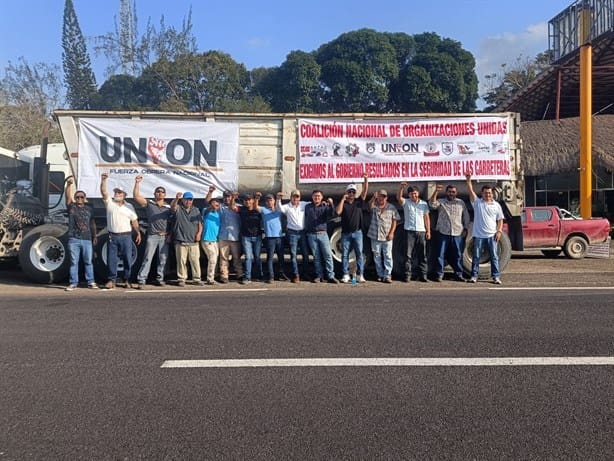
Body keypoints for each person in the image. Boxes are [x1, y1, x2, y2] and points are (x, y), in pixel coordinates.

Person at [100, 173, 141, 290]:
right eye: (116, 192)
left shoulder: (129, 206)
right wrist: (103, 181)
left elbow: (134, 220)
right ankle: (111, 280)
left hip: (126, 236)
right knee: (111, 259)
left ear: (124, 195)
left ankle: (127, 280)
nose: (117, 194)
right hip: (112, 236)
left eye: (119, 192)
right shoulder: (110, 203)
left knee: (128, 259)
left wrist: (137, 232)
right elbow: (104, 192)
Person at [133, 176, 173, 288]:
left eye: (162, 192)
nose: (160, 193)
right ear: (155, 194)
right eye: (158, 192)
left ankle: (160, 278)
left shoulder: (168, 207)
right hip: (152, 236)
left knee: (163, 259)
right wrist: (137, 183)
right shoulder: (150, 204)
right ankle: (141, 279)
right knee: (147, 258)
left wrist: (169, 235)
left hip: (164, 236)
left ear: (165, 195)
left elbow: (172, 223)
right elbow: (136, 196)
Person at [466, 174, 505, 284]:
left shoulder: (496, 205)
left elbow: (500, 220)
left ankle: (496, 277)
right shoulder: (477, 203)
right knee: (476, 256)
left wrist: (499, 231)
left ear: (492, 194)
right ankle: (474, 276)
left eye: (489, 193)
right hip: (478, 235)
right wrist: (468, 180)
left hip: (491, 236)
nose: (487, 194)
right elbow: (470, 191)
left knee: (494, 257)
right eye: (485, 193)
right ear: (482, 194)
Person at [428, 184, 470, 282]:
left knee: (458, 255)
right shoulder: (442, 202)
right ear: (446, 192)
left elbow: (466, 216)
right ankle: (439, 274)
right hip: (443, 232)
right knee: (440, 254)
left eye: (453, 192)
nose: (451, 194)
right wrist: (436, 191)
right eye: (449, 192)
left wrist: (466, 228)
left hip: (457, 232)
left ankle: (458, 274)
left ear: (456, 193)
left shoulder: (461, 203)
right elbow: (432, 204)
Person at [64, 177, 98, 291]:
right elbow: (67, 198)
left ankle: (91, 281)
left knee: (88, 261)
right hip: (74, 239)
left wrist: (95, 236)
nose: (79, 199)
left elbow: (92, 223)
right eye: (77, 197)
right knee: (74, 262)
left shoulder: (89, 209)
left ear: (85, 198)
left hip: (87, 238)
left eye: (81, 197)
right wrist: (68, 186)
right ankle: (73, 283)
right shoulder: (72, 207)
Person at [335, 174, 368, 283]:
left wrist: (366, 180)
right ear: (346, 193)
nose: (351, 194)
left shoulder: (359, 202)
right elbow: (338, 212)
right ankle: (345, 274)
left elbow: (365, 192)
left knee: (359, 253)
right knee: (345, 255)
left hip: (357, 233)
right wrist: (342, 199)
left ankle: (360, 274)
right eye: (349, 192)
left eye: (353, 192)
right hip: (345, 234)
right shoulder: (343, 204)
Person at [397, 183, 431, 282]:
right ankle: (407, 275)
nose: (414, 196)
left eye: (415, 194)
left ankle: (423, 275)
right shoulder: (406, 202)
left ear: (418, 193)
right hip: (409, 232)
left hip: (421, 231)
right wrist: (401, 187)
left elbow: (426, 218)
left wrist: (428, 231)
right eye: (411, 194)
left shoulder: (424, 204)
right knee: (407, 255)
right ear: (409, 195)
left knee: (422, 255)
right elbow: (399, 197)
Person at [304, 190, 338, 283]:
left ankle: (331, 276)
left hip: (323, 234)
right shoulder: (308, 207)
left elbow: (332, 213)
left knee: (327, 255)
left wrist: (331, 204)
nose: (317, 198)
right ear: (312, 197)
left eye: (318, 196)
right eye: (315, 196)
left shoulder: (325, 206)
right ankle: (319, 276)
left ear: (322, 197)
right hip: (311, 235)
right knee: (316, 257)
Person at [170, 191, 204, 287]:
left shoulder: (196, 210)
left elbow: (200, 224)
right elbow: (173, 207)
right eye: (186, 199)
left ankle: (196, 279)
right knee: (181, 261)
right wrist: (176, 198)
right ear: (183, 200)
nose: (188, 201)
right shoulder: (178, 209)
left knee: (195, 261)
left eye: (190, 199)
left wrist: (199, 234)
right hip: (181, 240)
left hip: (193, 240)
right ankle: (181, 278)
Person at [276, 190, 309, 283]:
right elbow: (279, 209)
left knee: (305, 255)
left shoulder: (304, 204)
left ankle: (305, 273)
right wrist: (278, 199)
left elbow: (314, 203)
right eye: (294, 197)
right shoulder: (287, 206)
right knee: (293, 255)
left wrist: (323, 202)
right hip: (292, 233)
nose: (295, 198)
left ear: (300, 197)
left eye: (297, 197)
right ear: (291, 197)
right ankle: (296, 275)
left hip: (302, 233)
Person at [367, 189, 400, 283]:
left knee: (388, 255)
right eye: (380, 196)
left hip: (387, 236)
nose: (382, 198)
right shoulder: (374, 206)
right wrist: (373, 197)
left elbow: (395, 220)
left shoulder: (391, 207)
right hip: (375, 235)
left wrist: (392, 233)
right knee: (377, 256)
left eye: (384, 196)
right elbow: (369, 206)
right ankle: (380, 274)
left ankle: (388, 275)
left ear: (386, 198)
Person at [259, 193, 289, 283]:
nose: (269, 202)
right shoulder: (263, 210)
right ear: (265, 202)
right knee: (270, 258)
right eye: (267, 201)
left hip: (279, 237)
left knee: (281, 257)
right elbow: (256, 207)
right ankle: (271, 276)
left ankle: (281, 274)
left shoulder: (278, 210)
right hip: (269, 237)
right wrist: (257, 198)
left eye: (271, 200)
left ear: (274, 201)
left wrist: (279, 198)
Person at [218, 190, 243, 283]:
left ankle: (239, 274)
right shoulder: (220, 207)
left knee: (237, 258)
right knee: (223, 258)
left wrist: (233, 199)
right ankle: (224, 275)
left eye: (228, 196)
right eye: (225, 196)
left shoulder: (238, 207)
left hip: (235, 236)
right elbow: (207, 202)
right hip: (223, 236)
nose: (227, 198)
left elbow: (235, 208)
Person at [238, 193, 263, 284]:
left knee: (257, 257)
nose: (248, 201)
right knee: (248, 257)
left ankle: (259, 275)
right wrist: (233, 198)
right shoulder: (242, 209)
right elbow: (233, 207)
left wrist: (257, 199)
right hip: (246, 237)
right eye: (246, 200)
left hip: (257, 236)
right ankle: (247, 276)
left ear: (252, 200)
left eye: (249, 199)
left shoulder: (258, 209)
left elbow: (257, 207)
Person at [200, 188, 221, 285]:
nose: (215, 205)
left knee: (215, 258)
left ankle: (213, 276)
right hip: (206, 239)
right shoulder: (206, 211)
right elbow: (206, 202)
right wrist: (210, 192)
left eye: (217, 204)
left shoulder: (218, 214)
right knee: (212, 258)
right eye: (214, 203)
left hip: (215, 240)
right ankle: (210, 279)